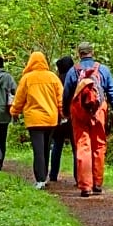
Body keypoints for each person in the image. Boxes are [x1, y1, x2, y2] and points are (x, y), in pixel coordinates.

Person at [62, 40, 113, 198]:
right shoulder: (103, 70)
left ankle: (85, 186)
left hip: (79, 113)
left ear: (79, 53)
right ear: (92, 52)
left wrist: (66, 112)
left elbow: (67, 94)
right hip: (98, 111)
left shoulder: (73, 71)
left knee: (83, 147)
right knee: (99, 146)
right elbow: (111, 92)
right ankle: (97, 184)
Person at [9, 51, 63, 189]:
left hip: (34, 120)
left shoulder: (27, 79)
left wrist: (14, 112)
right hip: (51, 119)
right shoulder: (53, 78)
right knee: (46, 148)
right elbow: (60, 99)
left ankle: (40, 180)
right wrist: (63, 114)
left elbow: (19, 99)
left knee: (38, 150)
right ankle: (43, 177)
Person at [48, 55, 77, 183]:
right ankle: (78, 177)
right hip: (74, 116)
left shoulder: (56, 80)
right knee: (76, 147)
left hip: (59, 117)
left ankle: (53, 175)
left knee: (57, 145)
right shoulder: (76, 78)